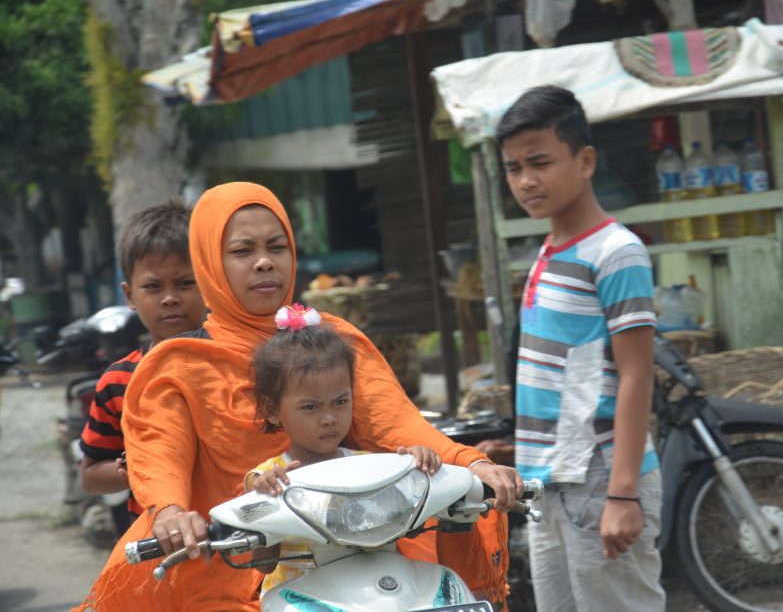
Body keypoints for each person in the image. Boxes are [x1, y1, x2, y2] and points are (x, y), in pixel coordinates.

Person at [75, 182, 521, 612]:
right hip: (226, 560)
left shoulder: (332, 339)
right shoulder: (178, 363)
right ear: (209, 261)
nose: (265, 263)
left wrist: (472, 463)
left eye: (277, 247)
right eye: (242, 251)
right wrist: (171, 511)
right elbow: (159, 452)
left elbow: (396, 423)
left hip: (354, 549)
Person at [496, 86, 666, 611]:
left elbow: (637, 375)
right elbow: (564, 375)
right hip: (547, 482)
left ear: (585, 160)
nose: (526, 180)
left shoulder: (616, 252)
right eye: (513, 167)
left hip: (601, 478)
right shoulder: (547, 249)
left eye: (540, 162)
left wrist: (623, 494)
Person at [244, 305, 441, 596]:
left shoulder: (373, 468)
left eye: (340, 402)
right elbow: (264, 564)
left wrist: (418, 464)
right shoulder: (268, 477)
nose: (329, 418)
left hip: (376, 594)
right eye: (311, 406)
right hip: (300, 599)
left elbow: (409, 525)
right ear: (272, 410)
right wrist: (265, 501)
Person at [78, 200, 205, 529]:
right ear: (130, 295)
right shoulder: (118, 381)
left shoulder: (237, 363)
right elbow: (91, 475)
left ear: (210, 281)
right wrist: (131, 468)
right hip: (161, 544)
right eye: (153, 286)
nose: (169, 298)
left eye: (185, 283)